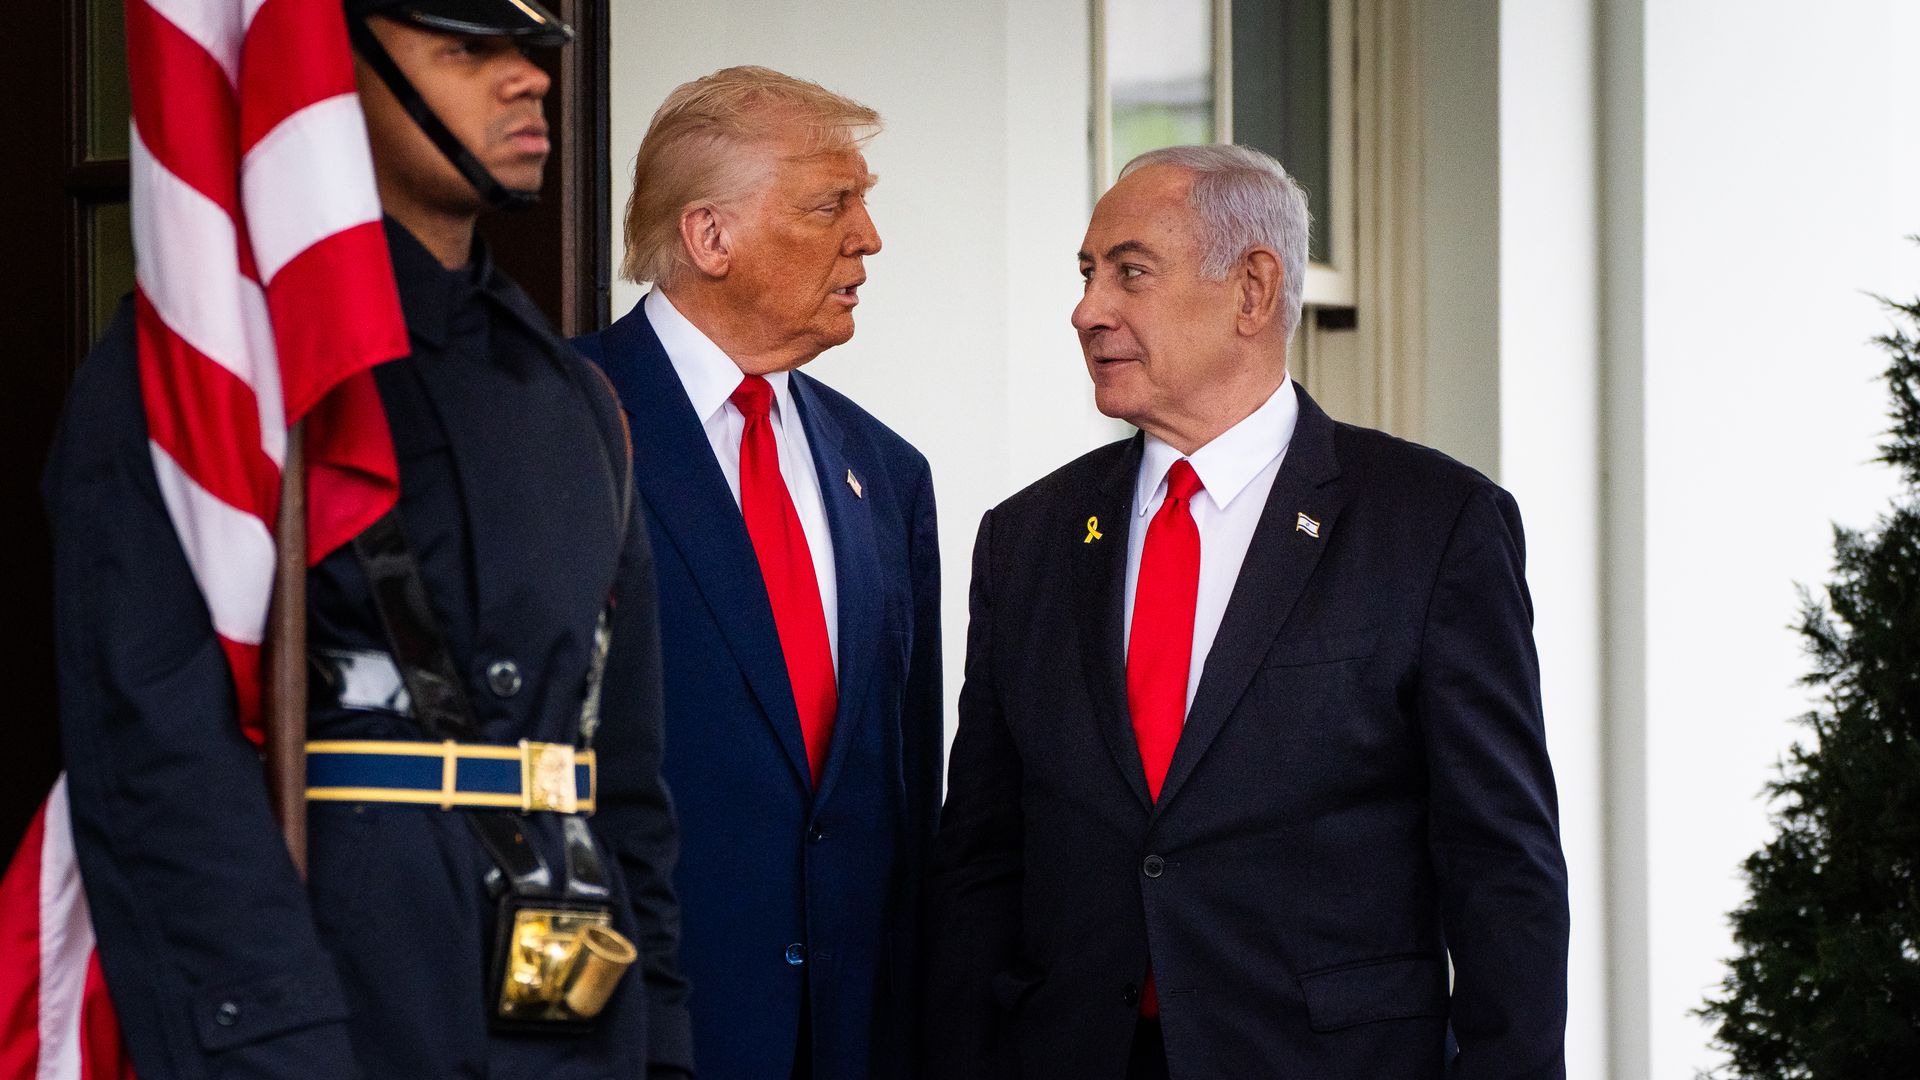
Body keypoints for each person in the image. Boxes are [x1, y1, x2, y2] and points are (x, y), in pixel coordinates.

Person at [44, 1, 690, 1076]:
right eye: (465, 47)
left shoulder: (577, 401)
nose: (528, 76)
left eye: (526, 47)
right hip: (341, 1012)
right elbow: (156, 755)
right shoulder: (215, 380)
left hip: (578, 1019)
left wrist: (662, 1041)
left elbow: (621, 775)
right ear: (331, 71)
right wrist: (273, 1046)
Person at [924, 144, 1569, 1079]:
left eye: (1130, 272)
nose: (1087, 309)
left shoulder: (1433, 524)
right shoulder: (1028, 538)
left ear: (1253, 291)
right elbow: (982, 859)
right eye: (1087, 274)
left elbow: (1502, 865)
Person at [573, 66, 942, 1080]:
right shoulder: (556, 428)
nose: (868, 237)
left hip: (849, 1038)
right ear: (711, 236)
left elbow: (901, 797)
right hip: (638, 1032)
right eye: (834, 202)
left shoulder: (887, 473)